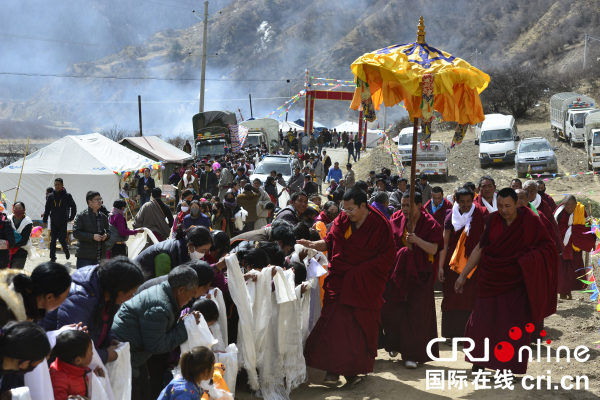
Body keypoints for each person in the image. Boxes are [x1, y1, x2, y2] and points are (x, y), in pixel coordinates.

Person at [455, 188, 558, 375]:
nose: (503, 210)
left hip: (516, 283)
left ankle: (508, 368)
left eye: (508, 206)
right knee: (480, 321)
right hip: (491, 278)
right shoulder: (492, 221)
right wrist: (463, 276)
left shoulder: (531, 221)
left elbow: (548, 248)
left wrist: (527, 260)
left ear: (517, 203)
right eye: (500, 206)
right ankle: (479, 361)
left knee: (511, 327)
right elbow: (479, 248)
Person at [300, 187, 396, 386]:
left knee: (358, 329)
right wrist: (312, 244)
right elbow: (330, 242)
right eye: (345, 209)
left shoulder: (380, 224)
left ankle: (352, 372)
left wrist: (360, 271)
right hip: (341, 281)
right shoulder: (343, 220)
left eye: (351, 209)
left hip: (365, 283)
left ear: (363, 206)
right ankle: (332, 373)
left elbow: (388, 256)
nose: (347, 213)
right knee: (334, 325)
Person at [111, 266, 203, 400]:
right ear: (181, 290)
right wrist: (183, 327)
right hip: (124, 358)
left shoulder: (164, 293)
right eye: (192, 294)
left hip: (131, 353)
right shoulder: (160, 306)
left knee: (144, 391)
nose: (191, 299)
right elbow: (157, 346)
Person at [381, 190, 444, 369]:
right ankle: (394, 345)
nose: (406, 209)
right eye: (403, 205)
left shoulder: (430, 224)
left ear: (418, 205)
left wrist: (416, 240)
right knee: (391, 311)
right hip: (397, 274)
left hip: (420, 275)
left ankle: (411, 355)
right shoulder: (395, 221)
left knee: (416, 314)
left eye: (409, 205)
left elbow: (433, 249)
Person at [40, 257, 144, 364]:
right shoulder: (81, 299)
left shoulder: (109, 294)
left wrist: (109, 340)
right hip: (51, 364)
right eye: (132, 293)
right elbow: (71, 348)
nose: (132, 297)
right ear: (119, 292)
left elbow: (100, 325)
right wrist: (105, 355)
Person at [437, 187, 485, 339]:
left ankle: (471, 331)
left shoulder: (481, 213)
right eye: (462, 201)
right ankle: (453, 334)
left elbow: (484, 240)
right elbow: (444, 242)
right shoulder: (451, 215)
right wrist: (440, 266)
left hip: (474, 262)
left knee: (471, 296)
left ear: (473, 200)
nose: (466, 205)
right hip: (452, 263)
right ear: (456, 200)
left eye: (469, 201)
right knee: (452, 296)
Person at [0, 262, 71, 326]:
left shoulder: (32, 307)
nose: (65, 300)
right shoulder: (6, 313)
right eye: (65, 296)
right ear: (49, 297)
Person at [555, 195, 596, 300]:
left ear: (575, 205)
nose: (569, 209)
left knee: (574, 269)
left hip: (574, 246)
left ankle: (568, 291)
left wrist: (590, 226)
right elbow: (554, 227)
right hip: (562, 245)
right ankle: (563, 292)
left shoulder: (580, 210)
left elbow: (586, 227)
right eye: (567, 207)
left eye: (571, 207)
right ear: (563, 204)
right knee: (562, 270)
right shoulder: (559, 212)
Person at [134, 226, 213, 280]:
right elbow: (163, 285)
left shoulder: (184, 251)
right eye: (202, 251)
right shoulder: (164, 256)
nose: (204, 254)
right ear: (191, 245)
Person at [49, 330, 102, 400]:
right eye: (90, 351)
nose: (92, 354)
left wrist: (94, 379)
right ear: (78, 360)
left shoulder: (78, 367)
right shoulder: (58, 379)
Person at [159, 347, 227, 400]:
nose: (215, 367)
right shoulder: (184, 392)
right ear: (206, 372)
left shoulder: (187, 379)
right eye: (213, 365)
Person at [73, 191, 110, 268]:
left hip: (100, 255)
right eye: (97, 199)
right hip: (85, 256)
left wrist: (106, 236)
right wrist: (92, 236)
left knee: (98, 279)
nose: (100, 201)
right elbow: (76, 233)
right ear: (90, 202)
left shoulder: (104, 217)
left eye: (100, 199)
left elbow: (109, 232)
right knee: (83, 279)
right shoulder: (81, 216)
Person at [43, 178, 77, 263]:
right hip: (53, 221)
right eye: (56, 184)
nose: (57, 186)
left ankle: (66, 250)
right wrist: (44, 220)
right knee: (53, 239)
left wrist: (71, 217)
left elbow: (73, 207)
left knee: (62, 239)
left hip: (63, 221)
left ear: (62, 185)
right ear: (54, 185)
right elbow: (47, 209)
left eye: (59, 184)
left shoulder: (67, 196)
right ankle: (52, 258)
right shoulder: (51, 196)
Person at [230, 219, 296, 255]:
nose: (286, 253)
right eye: (287, 250)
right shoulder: (261, 242)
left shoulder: (268, 234)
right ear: (280, 242)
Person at [7, 202, 33, 269]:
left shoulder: (27, 222)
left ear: (24, 210)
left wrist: (8, 245)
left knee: (15, 274)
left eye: (20, 208)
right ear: (13, 209)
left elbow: (24, 241)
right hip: (7, 252)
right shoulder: (8, 219)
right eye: (16, 208)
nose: (18, 211)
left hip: (21, 250)